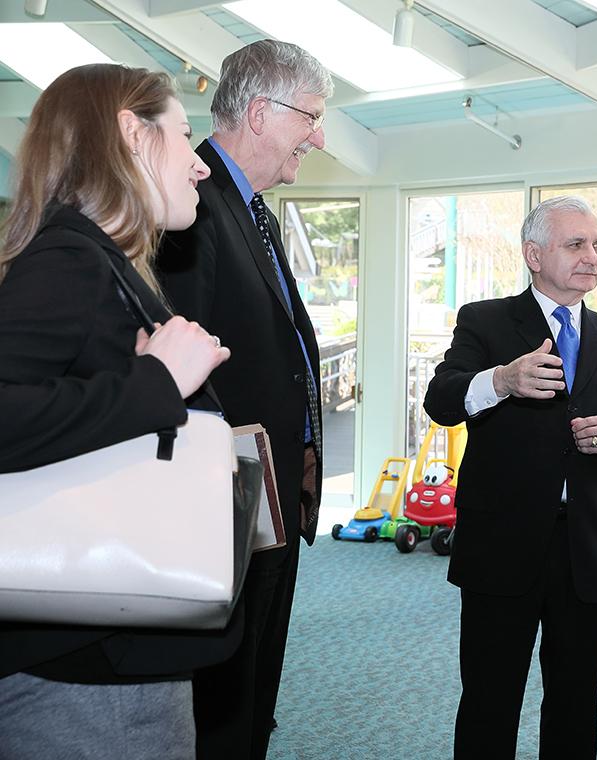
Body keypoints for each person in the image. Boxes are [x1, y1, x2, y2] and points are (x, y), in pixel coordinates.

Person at [0, 64, 230, 758]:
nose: (200, 167)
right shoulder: (71, 259)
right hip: (86, 675)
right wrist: (158, 380)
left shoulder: (98, 264)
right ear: (132, 133)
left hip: (98, 656)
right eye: (185, 137)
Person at [423, 195, 597, 759]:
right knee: (489, 702)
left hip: (586, 550)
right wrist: (500, 381)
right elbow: (440, 400)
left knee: (576, 705)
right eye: (575, 244)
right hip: (501, 546)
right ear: (534, 254)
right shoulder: (484, 321)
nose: (593, 257)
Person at [156, 40, 331, 759]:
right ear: (260, 113)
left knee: (254, 683)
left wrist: (306, 451)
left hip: (270, 494)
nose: (319, 138)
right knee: (223, 698)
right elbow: (188, 370)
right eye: (311, 118)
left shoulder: (248, 206)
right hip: (225, 501)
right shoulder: (193, 206)